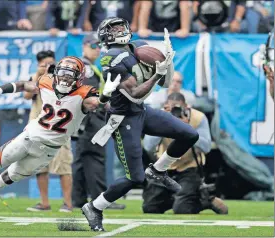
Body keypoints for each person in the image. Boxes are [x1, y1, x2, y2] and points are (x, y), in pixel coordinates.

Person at [0, 56, 120, 225]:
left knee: (6, 179)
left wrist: (105, 95)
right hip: (28, 138)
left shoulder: (84, 93)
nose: (65, 78)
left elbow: (97, 104)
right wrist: (1, 89)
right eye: (63, 73)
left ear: (79, 78)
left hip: (48, 151)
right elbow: (23, 85)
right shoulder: (46, 81)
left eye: (70, 76)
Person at [81, 17, 199, 232]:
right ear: (105, 34)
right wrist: (157, 74)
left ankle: (158, 170)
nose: (119, 30)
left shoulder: (140, 47)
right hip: (123, 118)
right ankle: (94, 207)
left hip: (141, 112)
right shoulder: (111, 58)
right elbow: (134, 94)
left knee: (189, 134)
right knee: (134, 177)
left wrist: (168, 63)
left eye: (120, 27)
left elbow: (165, 82)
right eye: (113, 29)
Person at [143, 92, 228, 215]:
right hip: (164, 168)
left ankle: (206, 201)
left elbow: (206, 147)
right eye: (172, 109)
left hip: (189, 168)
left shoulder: (198, 117)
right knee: (150, 208)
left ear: (186, 107)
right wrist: (163, 123)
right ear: (166, 106)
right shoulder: (159, 116)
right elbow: (148, 145)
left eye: (178, 108)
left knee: (182, 210)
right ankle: (183, 198)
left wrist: (186, 128)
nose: (175, 112)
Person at [72, 34, 125, 210]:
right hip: (92, 119)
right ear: (84, 46)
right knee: (95, 158)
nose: (97, 49)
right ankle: (100, 200)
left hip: (83, 121)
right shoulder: (87, 69)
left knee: (81, 160)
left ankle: (78, 199)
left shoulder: (84, 67)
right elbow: (90, 96)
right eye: (93, 46)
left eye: (98, 46)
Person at [24, 51, 73, 212]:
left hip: (59, 127)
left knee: (64, 165)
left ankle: (67, 203)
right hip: (38, 128)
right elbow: (26, 95)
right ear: (38, 65)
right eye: (44, 64)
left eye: (51, 64)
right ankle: (44, 203)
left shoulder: (64, 78)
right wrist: (40, 76)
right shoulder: (34, 77)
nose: (49, 67)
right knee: (39, 167)